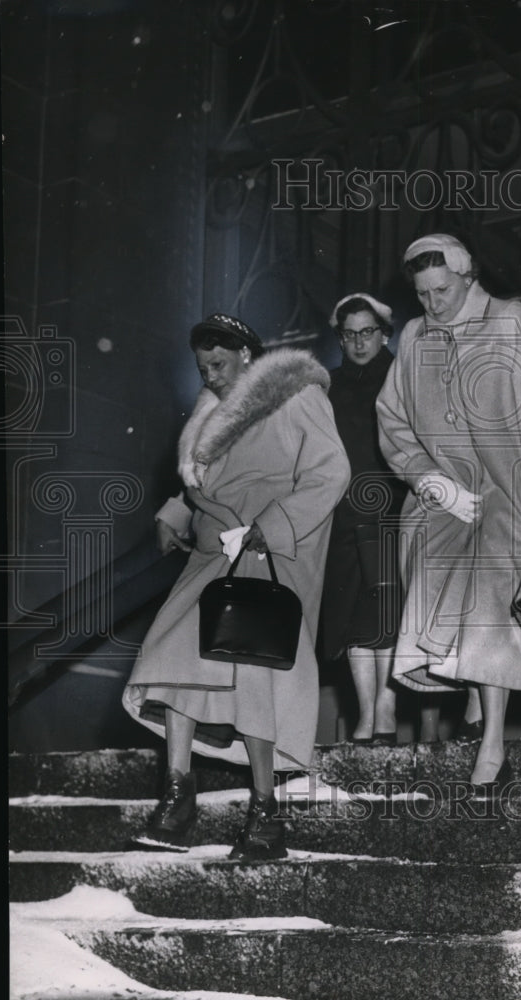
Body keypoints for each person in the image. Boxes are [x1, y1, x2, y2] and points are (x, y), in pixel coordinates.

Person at [122, 313, 350, 858]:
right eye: (202, 367)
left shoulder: (295, 395)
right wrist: (176, 511)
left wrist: (270, 528)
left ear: (248, 356)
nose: (211, 376)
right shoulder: (207, 417)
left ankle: (265, 814)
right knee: (171, 653)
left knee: (252, 676)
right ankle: (178, 797)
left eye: (219, 364)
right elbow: (206, 482)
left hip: (270, 549)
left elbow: (331, 472)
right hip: (214, 549)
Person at [376, 234, 521, 792]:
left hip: (510, 492)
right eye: (422, 294)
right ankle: (475, 711)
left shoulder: (509, 318)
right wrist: (428, 478)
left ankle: (491, 746)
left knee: (494, 615)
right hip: (446, 500)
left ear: (467, 278)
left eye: (442, 290)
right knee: (442, 614)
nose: (433, 303)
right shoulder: (414, 336)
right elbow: (392, 419)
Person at [320, 294, 406, 745]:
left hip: (393, 507)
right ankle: (366, 711)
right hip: (342, 512)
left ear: (384, 334)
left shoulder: (403, 376)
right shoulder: (326, 386)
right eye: (349, 334)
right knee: (351, 615)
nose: (358, 342)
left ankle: (386, 706)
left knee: (385, 613)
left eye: (367, 332)